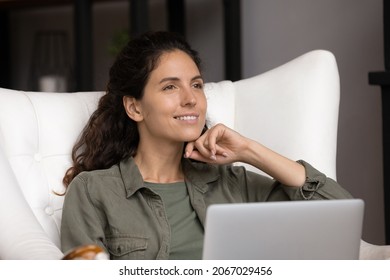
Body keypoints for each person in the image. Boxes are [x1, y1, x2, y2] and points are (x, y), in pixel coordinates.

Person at [60, 31, 353, 260]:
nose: (191, 99)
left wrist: (250, 151)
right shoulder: (92, 190)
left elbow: (340, 215)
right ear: (135, 108)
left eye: (197, 85)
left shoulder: (231, 184)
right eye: (170, 86)